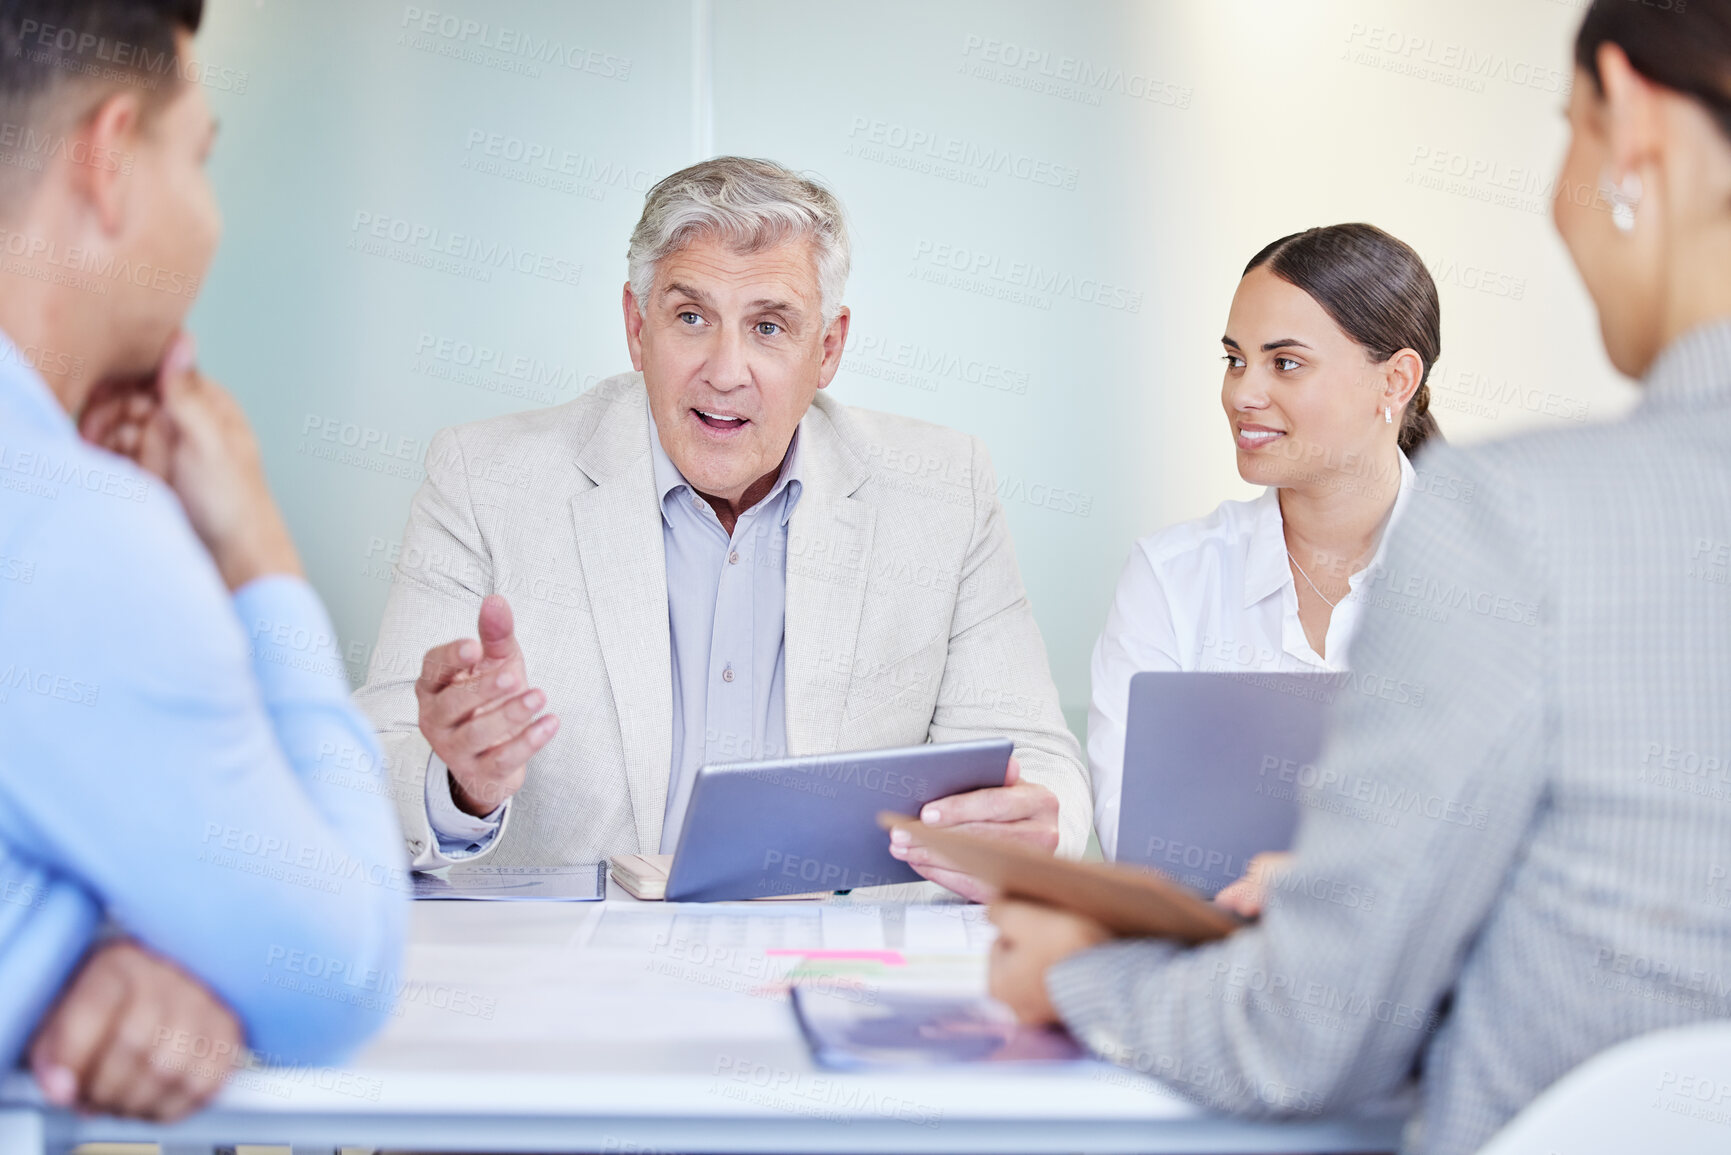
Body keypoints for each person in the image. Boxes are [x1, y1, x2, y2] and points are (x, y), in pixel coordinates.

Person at [987, 3, 1731, 1153]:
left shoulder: (1515, 522)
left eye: (1566, 129)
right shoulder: (1195, 566)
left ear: (1627, 117)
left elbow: (1315, 1026)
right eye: (1236, 360)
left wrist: (1084, 980)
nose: (1246, 393)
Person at [355, 157, 1090, 900]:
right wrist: (460, 780)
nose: (725, 370)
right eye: (690, 318)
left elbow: (1037, 759)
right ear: (637, 328)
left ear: (827, 348)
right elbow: (367, 772)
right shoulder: (483, 480)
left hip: (844, 971)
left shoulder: (941, 489)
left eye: (768, 326)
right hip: (580, 978)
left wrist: (1032, 826)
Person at [0, 0, 406, 1120]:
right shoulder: (74, 531)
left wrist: (61, 953)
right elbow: (339, 968)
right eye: (201, 157)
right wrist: (258, 553)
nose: (212, 215)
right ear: (111, 157)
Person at [1089, 223, 1440, 865]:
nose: (1242, 394)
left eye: (1285, 363)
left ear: (1395, 381)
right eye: (1234, 360)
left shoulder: (1496, 581)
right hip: (1216, 954)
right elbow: (1135, 837)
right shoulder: (1171, 577)